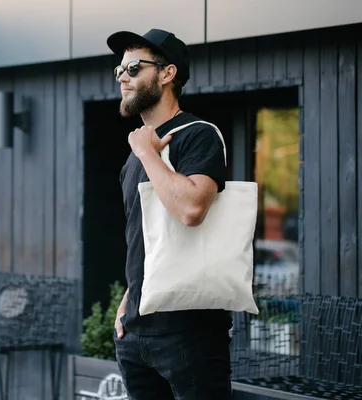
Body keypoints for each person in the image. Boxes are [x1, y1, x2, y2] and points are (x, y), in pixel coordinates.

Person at [106, 28, 234, 399]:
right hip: (136, 333)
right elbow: (145, 236)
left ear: (166, 73)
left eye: (133, 68)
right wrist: (128, 300)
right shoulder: (135, 153)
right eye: (119, 71)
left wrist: (147, 152)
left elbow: (192, 209)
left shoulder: (198, 135)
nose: (123, 78)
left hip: (188, 335)